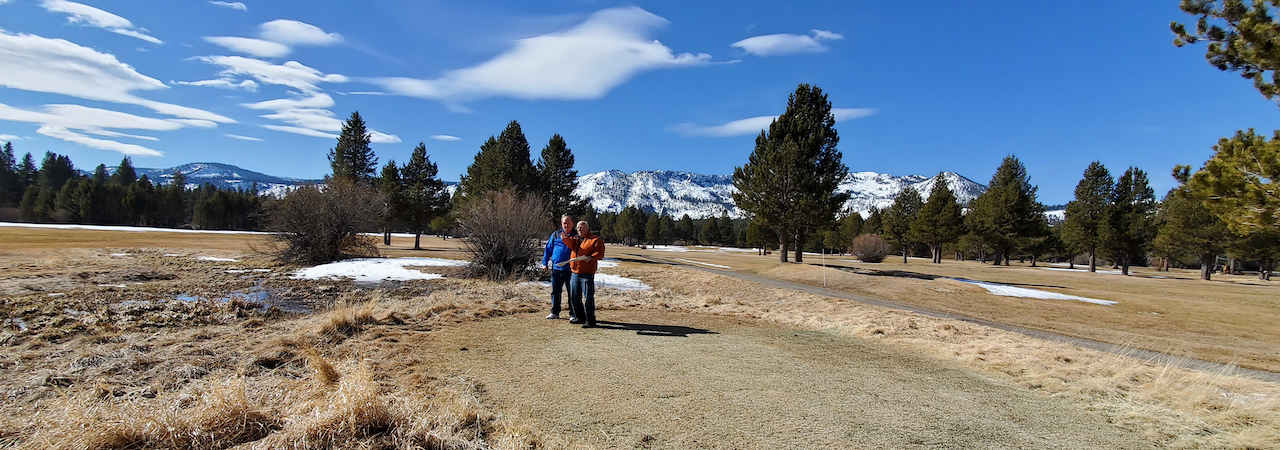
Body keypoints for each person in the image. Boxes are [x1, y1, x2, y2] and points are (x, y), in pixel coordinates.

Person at [562, 220, 605, 328]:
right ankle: (579, 317)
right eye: (577, 228)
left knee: (588, 297)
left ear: (587, 228)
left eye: (581, 227)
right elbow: (569, 243)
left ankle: (590, 320)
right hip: (575, 273)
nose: (579, 229)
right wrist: (565, 237)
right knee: (574, 296)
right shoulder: (576, 239)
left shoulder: (595, 239)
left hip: (587, 273)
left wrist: (591, 257)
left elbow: (600, 253)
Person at [541, 214, 577, 320]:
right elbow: (548, 249)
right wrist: (545, 263)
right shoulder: (556, 235)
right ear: (561, 224)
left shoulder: (577, 235)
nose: (566, 225)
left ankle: (573, 314)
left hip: (571, 269)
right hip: (557, 268)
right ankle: (555, 312)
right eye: (564, 223)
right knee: (555, 292)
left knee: (572, 292)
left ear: (572, 224)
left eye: (568, 223)